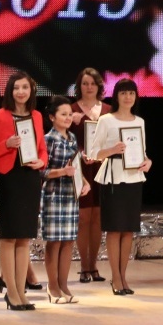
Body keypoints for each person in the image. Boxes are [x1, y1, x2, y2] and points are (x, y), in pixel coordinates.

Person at [0, 71, 48, 311]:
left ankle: (21, 291)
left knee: (24, 238)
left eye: (25, 87)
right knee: (9, 237)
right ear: (10, 91)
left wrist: (42, 162)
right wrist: (6, 144)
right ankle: (11, 292)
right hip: (9, 178)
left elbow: (42, 149)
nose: (21, 92)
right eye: (16, 88)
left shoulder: (36, 116)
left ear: (31, 91)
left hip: (30, 178)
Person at [87, 79, 151, 295]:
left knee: (128, 230)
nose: (128, 97)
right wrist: (112, 150)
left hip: (134, 177)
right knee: (114, 229)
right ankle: (115, 277)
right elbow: (94, 153)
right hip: (113, 178)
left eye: (131, 93)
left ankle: (123, 276)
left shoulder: (140, 121)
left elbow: (142, 151)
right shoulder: (106, 120)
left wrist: (147, 161)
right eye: (123, 93)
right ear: (116, 96)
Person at [42, 94, 86, 303]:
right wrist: (62, 172)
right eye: (63, 114)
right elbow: (41, 171)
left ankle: (64, 285)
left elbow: (75, 166)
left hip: (70, 194)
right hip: (53, 194)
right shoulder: (48, 139)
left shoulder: (72, 138)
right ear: (52, 117)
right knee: (54, 242)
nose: (68, 118)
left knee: (68, 241)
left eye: (70, 114)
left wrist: (84, 181)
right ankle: (52, 287)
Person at [68, 68, 110, 284]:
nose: (89, 87)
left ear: (99, 86)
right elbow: (64, 138)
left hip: (102, 168)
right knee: (84, 217)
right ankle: (84, 266)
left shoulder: (109, 110)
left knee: (98, 217)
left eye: (93, 83)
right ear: (79, 86)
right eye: (85, 83)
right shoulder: (71, 110)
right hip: (80, 168)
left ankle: (94, 265)